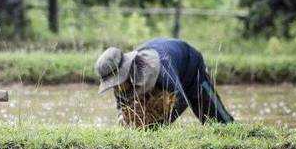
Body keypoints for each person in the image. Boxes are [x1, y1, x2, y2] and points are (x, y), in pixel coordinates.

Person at [95, 38, 235, 128]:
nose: (117, 87)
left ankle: (235, 133)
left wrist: (155, 127)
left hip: (189, 66)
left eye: (118, 81)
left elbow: (180, 100)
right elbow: (123, 107)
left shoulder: (160, 70)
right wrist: (123, 119)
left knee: (217, 120)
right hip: (161, 66)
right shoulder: (120, 85)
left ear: (126, 70)